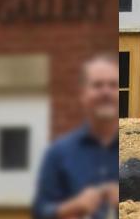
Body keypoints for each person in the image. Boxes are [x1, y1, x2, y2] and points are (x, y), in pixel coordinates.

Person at [32, 53, 119, 219]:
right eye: (98, 85)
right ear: (83, 94)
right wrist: (72, 206)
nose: (106, 92)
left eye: (113, 85)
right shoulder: (58, 153)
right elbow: (40, 212)